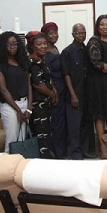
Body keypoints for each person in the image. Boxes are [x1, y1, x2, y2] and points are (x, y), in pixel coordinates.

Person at [86, 14, 107, 159]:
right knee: (100, 116)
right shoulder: (94, 41)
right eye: (102, 24)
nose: (105, 27)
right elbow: (96, 62)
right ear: (97, 27)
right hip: (98, 83)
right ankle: (102, 147)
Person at [0, 31, 32, 153]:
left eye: (15, 43)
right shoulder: (0, 65)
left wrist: (29, 108)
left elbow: (29, 85)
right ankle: (7, 169)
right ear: (3, 46)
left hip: (25, 104)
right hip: (10, 107)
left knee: (22, 141)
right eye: (9, 44)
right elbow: (4, 90)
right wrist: (18, 111)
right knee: (12, 142)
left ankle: (19, 168)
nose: (12, 46)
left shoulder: (23, 63)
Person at [61, 23, 92, 160]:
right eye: (78, 33)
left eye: (83, 33)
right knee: (74, 126)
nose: (81, 35)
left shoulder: (86, 50)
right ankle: (75, 152)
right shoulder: (67, 52)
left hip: (87, 94)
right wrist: (73, 94)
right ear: (73, 34)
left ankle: (84, 150)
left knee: (86, 124)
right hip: (73, 95)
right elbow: (66, 74)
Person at [26, 31, 57, 159]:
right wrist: (52, 94)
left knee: (48, 133)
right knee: (41, 135)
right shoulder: (32, 63)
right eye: (39, 44)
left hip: (47, 103)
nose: (43, 46)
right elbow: (38, 85)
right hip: (38, 105)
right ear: (32, 46)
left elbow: (49, 80)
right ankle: (43, 162)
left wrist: (54, 92)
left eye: (44, 43)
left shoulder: (42, 62)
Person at [41, 22, 68, 159]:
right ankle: (56, 153)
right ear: (45, 36)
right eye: (51, 33)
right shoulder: (44, 52)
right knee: (55, 124)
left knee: (61, 123)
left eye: (56, 32)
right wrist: (53, 91)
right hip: (53, 92)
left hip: (61, 90)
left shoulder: (55, 49)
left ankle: (61, 151)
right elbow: (47, 75)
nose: (54, 35)